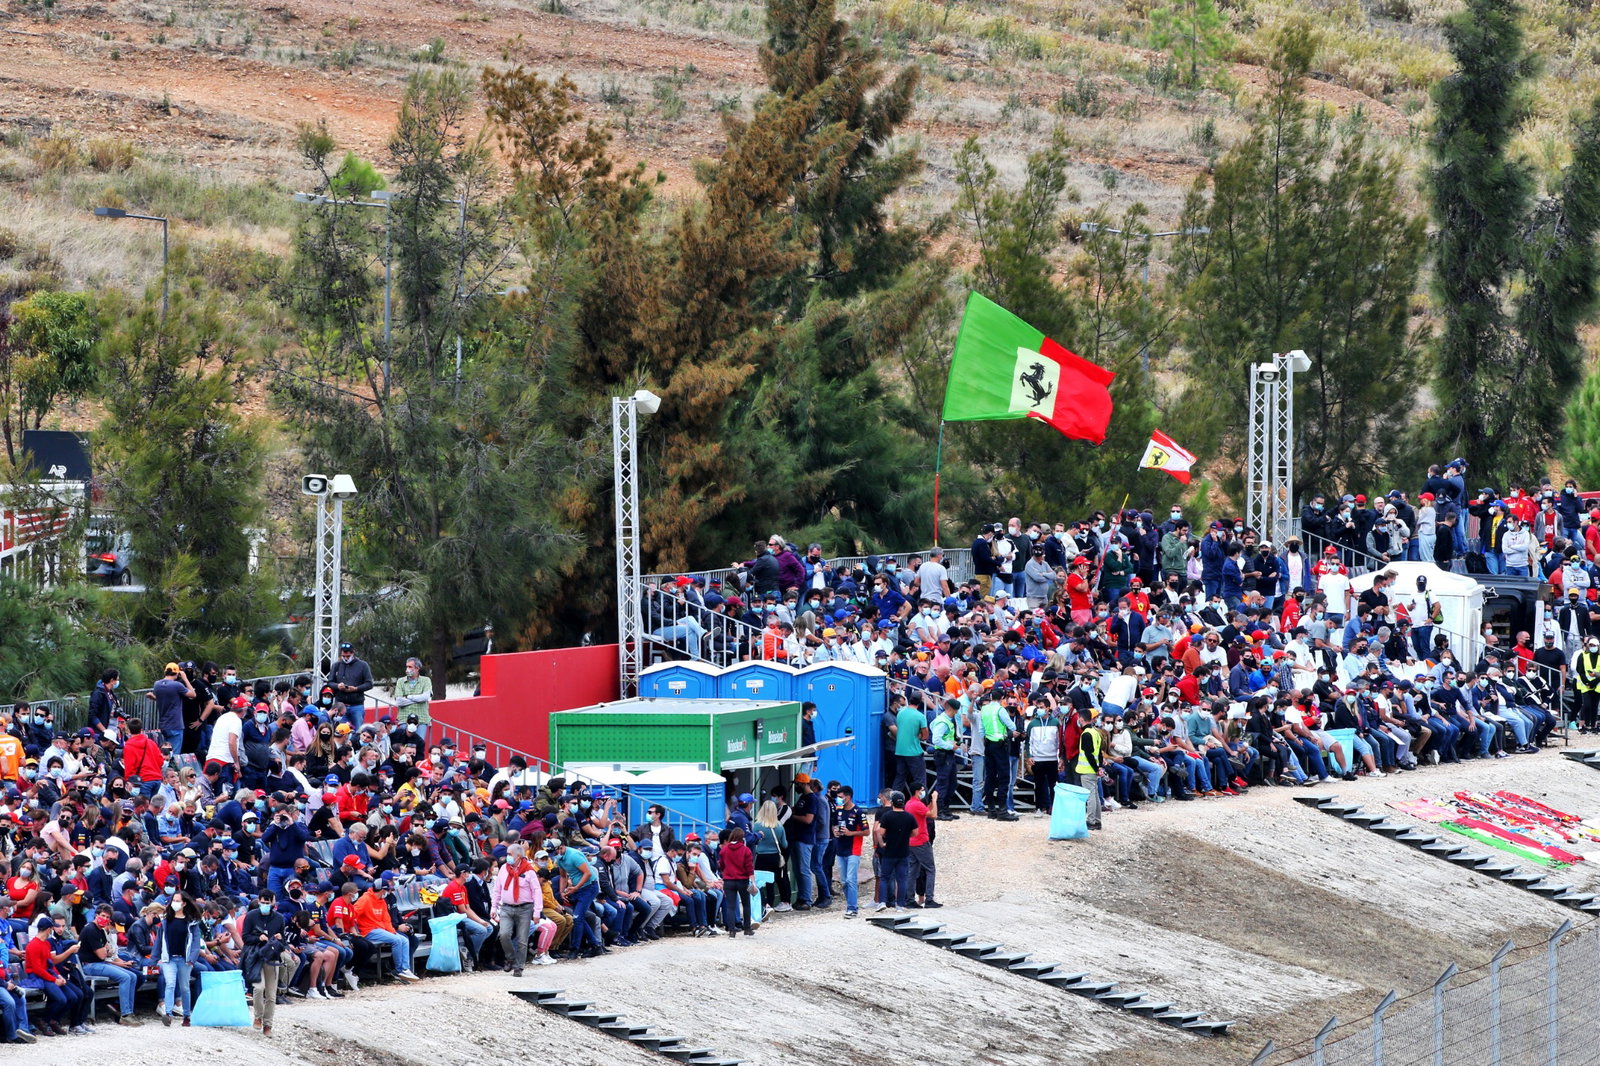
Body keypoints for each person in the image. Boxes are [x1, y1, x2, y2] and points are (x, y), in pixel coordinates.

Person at [79, 903, 142, 1027]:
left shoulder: (101, 931)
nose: (105, 919)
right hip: (90, 966)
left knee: (133, 976)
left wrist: (106, 950)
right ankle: (125, 1014)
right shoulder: (91, 929)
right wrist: (106, 950)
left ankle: (129, 1012)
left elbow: (107, 952)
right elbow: (103, 954)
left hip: (100, 962)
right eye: (103, 915)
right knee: (125, 977)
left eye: (108, 917)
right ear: (96, 915)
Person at [491, 843, 542, 975]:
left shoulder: (529, 871)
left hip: (525, 908)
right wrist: (493, 907)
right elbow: (497, 890)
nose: (507, 857)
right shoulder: (503, 869)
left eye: (509, 854)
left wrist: (537, 912)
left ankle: (519, 967)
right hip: (506, 907)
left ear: (518, 856)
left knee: (522, 940)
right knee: (504, 934)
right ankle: (510, 957)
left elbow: (536, 891)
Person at [242, 890, 288, 1035]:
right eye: (262, 902)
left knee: (271, 994)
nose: (265, 905)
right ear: (258, 901)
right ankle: (258, 1017)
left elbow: (284, 942)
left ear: (273, 903)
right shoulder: (251, 916)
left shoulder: (279, 918)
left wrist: (279, 939)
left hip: (272, 956)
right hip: (255, 956)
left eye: (268, 903)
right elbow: (245, 937)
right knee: (258, 988)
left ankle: (268, 1024)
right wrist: (258, 938)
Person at [873, 791, 917, 912]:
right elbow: (915, 833)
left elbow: (879, 832)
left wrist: (881, 844)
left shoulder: (887, 816)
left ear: (892, 803)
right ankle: (900, 905)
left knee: (884, 877)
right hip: (903, 852)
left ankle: (882, 902)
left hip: (889, 851)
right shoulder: (909, 817)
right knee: (902, 879)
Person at [328, 642, 374, 729]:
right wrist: (338, 686)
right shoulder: (336, 665)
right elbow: (330, 682)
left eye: (348, 656)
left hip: (357, 705)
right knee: (340, 730)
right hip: (340, 704)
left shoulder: (363, 665)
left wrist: (356, 689)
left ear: (353, 653)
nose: (345, 658)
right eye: (343, 656)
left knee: (359, 730)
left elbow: (369, 684)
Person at [719, 827, 755, 937]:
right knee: (746, 904)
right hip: (742, 880)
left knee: (730, 906)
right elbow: (749, 867)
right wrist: (753, 882)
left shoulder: (724, 850)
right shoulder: (746, 850)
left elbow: (721, 865)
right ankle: (747, 928)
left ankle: (731, 931)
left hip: (729, 880)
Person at [392, 657, 433, 743]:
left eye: (410, 667)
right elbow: (399, 701)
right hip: (404, 719)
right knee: (405, 745)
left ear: (417, 668)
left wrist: (408, 696)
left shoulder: (426, 680)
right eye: (407, 666)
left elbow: (425, 697)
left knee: (419, 744)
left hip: (422, 719)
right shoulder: (400, 681)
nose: (407, 669)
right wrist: (419, 698)